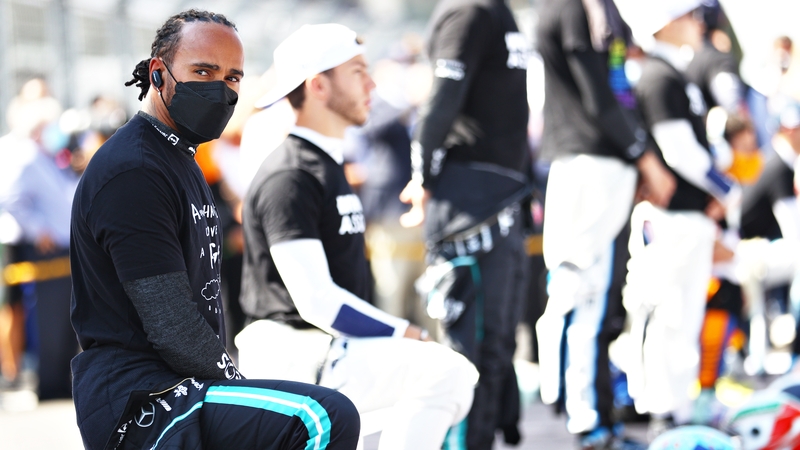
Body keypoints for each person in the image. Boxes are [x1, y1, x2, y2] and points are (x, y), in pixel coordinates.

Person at [69, 10, 360, 450]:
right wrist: (237, 383)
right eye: (203, 71)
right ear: (158, 74)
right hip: (142, 401)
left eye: (233, 77)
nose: (220, 89)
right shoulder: (135, 169)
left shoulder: (180, 159)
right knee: (320, 416)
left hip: (181, 387)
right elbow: (169, 321)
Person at [235, 23, 477, 450]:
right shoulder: (290, 174)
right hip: (295, 357)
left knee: (439, 377)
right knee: (446, 370)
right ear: (318, 86)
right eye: (357, 72)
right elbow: (316, 303)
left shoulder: (323, 165)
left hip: (327, 352)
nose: (372, 83)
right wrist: (403, 331)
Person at [533, 0, 676, 448]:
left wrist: (637, 159)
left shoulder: (600, 7)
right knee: (582, 295)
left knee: (599, 297)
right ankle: (586, 419)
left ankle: (599, 417)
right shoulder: (572, 7)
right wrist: (646, 158)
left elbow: (619, 90)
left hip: (604, 164)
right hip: (586, 163)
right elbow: (598, 94)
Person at [397, 0, 532, 447]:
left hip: (505, 196)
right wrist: (422, 178)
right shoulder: (468, 12)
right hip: (469, 206)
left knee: (496, 348)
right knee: (472, 353)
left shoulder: (497, 12)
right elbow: (441, 100)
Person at [619, 0, 742, 434]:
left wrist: (720, 185)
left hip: (691, 217)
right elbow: (680, 152)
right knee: (667, 314)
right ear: (667, 23)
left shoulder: (675, 74)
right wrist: (725, 189)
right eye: (689, 15)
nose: (697, 23)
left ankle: (680, 412)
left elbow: (706, 147)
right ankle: (662, 413)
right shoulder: (657, 75)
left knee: (686, 315)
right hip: (670, 219)